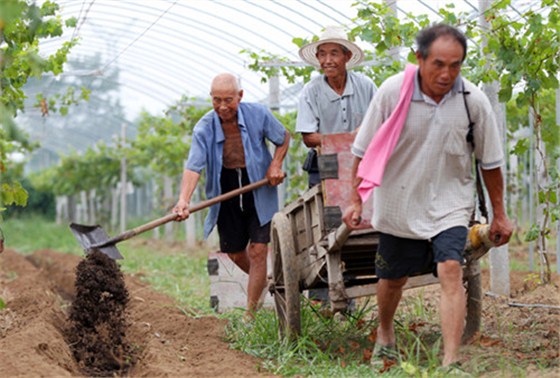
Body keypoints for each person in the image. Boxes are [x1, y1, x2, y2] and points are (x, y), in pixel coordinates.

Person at [342, 24, 513, 368]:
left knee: (451, 267)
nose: (447, 74)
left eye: (455, 65)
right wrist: (356, 198)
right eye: (438, 64)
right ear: (419, 59)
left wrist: (500, 213)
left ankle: (450, 362)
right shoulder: (393, 92)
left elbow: (491, 163)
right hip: (399, 203)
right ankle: (386, 335)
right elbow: (361, 150)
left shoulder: (472, 101)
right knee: (392, 279)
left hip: (451, 204)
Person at [173, 73, 290, 318]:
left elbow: (283, 137)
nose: (223, 107)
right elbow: (194, 166)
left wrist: (275, 165)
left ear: (240, 96)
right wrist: (183, 200)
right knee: (235, 252)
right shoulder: (204, 127)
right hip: (224, 187)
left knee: (259, 250)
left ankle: (250, 314)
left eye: (228, 100)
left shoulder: (258, 114)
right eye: (217, 100)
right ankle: (265, 280)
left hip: (258, 182)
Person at [297, 25, 377, 187]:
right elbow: (309, 138)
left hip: (361, 158)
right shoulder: (311, 91)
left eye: (334, 54)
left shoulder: (366, 86)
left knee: (365, 206)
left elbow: (381, 123)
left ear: (347, 56)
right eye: (322, 54)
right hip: (327, 159)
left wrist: (356, 137)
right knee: (331, 208)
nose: (327, 61)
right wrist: (349, 138)